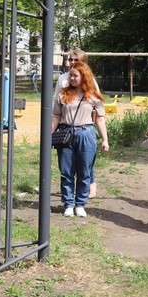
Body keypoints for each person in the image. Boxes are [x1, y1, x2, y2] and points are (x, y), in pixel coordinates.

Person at [52, 61, 110, 218]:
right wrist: (49, 135)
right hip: (66, 134)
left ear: (84, 77)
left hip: (86, 134)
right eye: (70, 75)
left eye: (75, 76)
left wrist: (105, 140)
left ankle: (80, 204)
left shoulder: (93, 96)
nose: (71, 78)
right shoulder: (62, 94)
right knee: (66, 172)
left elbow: (100, 119)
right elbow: (56, 116)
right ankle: (68, 204)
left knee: (84, 172)